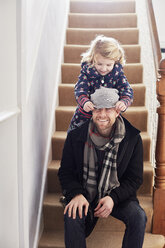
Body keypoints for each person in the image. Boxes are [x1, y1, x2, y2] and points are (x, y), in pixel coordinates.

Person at [58, 87, 147, 248]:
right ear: (92, 111)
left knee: (138, 217)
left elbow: (135, 179)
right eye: (98, 109)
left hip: (116, 193)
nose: (102, 114)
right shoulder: (75, 136)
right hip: (85, 192)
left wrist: (113, 198)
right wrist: (76, 194)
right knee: (72, 215)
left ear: (117, 112)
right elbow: (65, 172)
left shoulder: (132, 138)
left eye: (108, 109)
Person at [68, 35, 133, 132]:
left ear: (115, 62)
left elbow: (127, 91)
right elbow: (80, 90)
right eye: (99, 64)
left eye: (108, 65)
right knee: (76, 135)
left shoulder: (118, 75)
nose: (103, 69)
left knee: (110, 137)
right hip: (86, 114)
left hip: (108, 117)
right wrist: (85, 101)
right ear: (93, 59)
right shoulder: (87, 72)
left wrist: (124, 102)